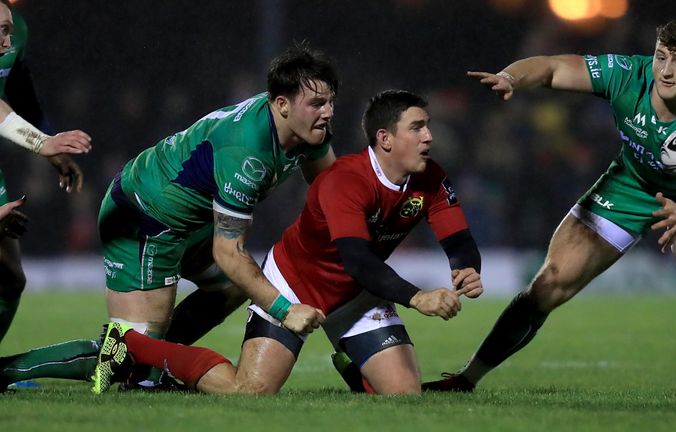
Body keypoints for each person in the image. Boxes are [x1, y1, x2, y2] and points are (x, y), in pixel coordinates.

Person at [91, 89, 483, 395]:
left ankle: (353, 361)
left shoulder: (431, 178)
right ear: (385, 138)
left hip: (359, 291)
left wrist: (466, 266)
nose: (429, 136)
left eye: (427, 125)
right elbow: (357, 260)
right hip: (296, 284)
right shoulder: (345, 181)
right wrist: (418, 298)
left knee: (405, 395)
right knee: (250, 392)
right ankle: (135, 348)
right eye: (417, 127)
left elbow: (458, 236)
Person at [423, 19, 676, 395]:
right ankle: (467, 379)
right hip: (629, 185)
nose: (666, 71)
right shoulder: (627, 74)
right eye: (661, 57)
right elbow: (554, 67)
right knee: (549, 283)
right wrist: (511, 77)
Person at [0, 43, 336, 391]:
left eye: (330, 102)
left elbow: (333, 191)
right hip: (143, 219)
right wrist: (285, 310)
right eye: (316, 103)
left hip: (190, 223)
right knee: (124, 353)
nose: (327, 112)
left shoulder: (305, 127)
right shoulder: (246, 152)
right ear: (281, 104)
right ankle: (6, 370)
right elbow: (228, 252)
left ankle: (150, 363)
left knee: (233, 288)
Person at [0, 0, 91, 346]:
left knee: (10, 278)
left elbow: (17, 93)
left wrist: (48, 142)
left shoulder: (16, 29)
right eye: (2, 33)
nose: (7, 42)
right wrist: (41, 143)